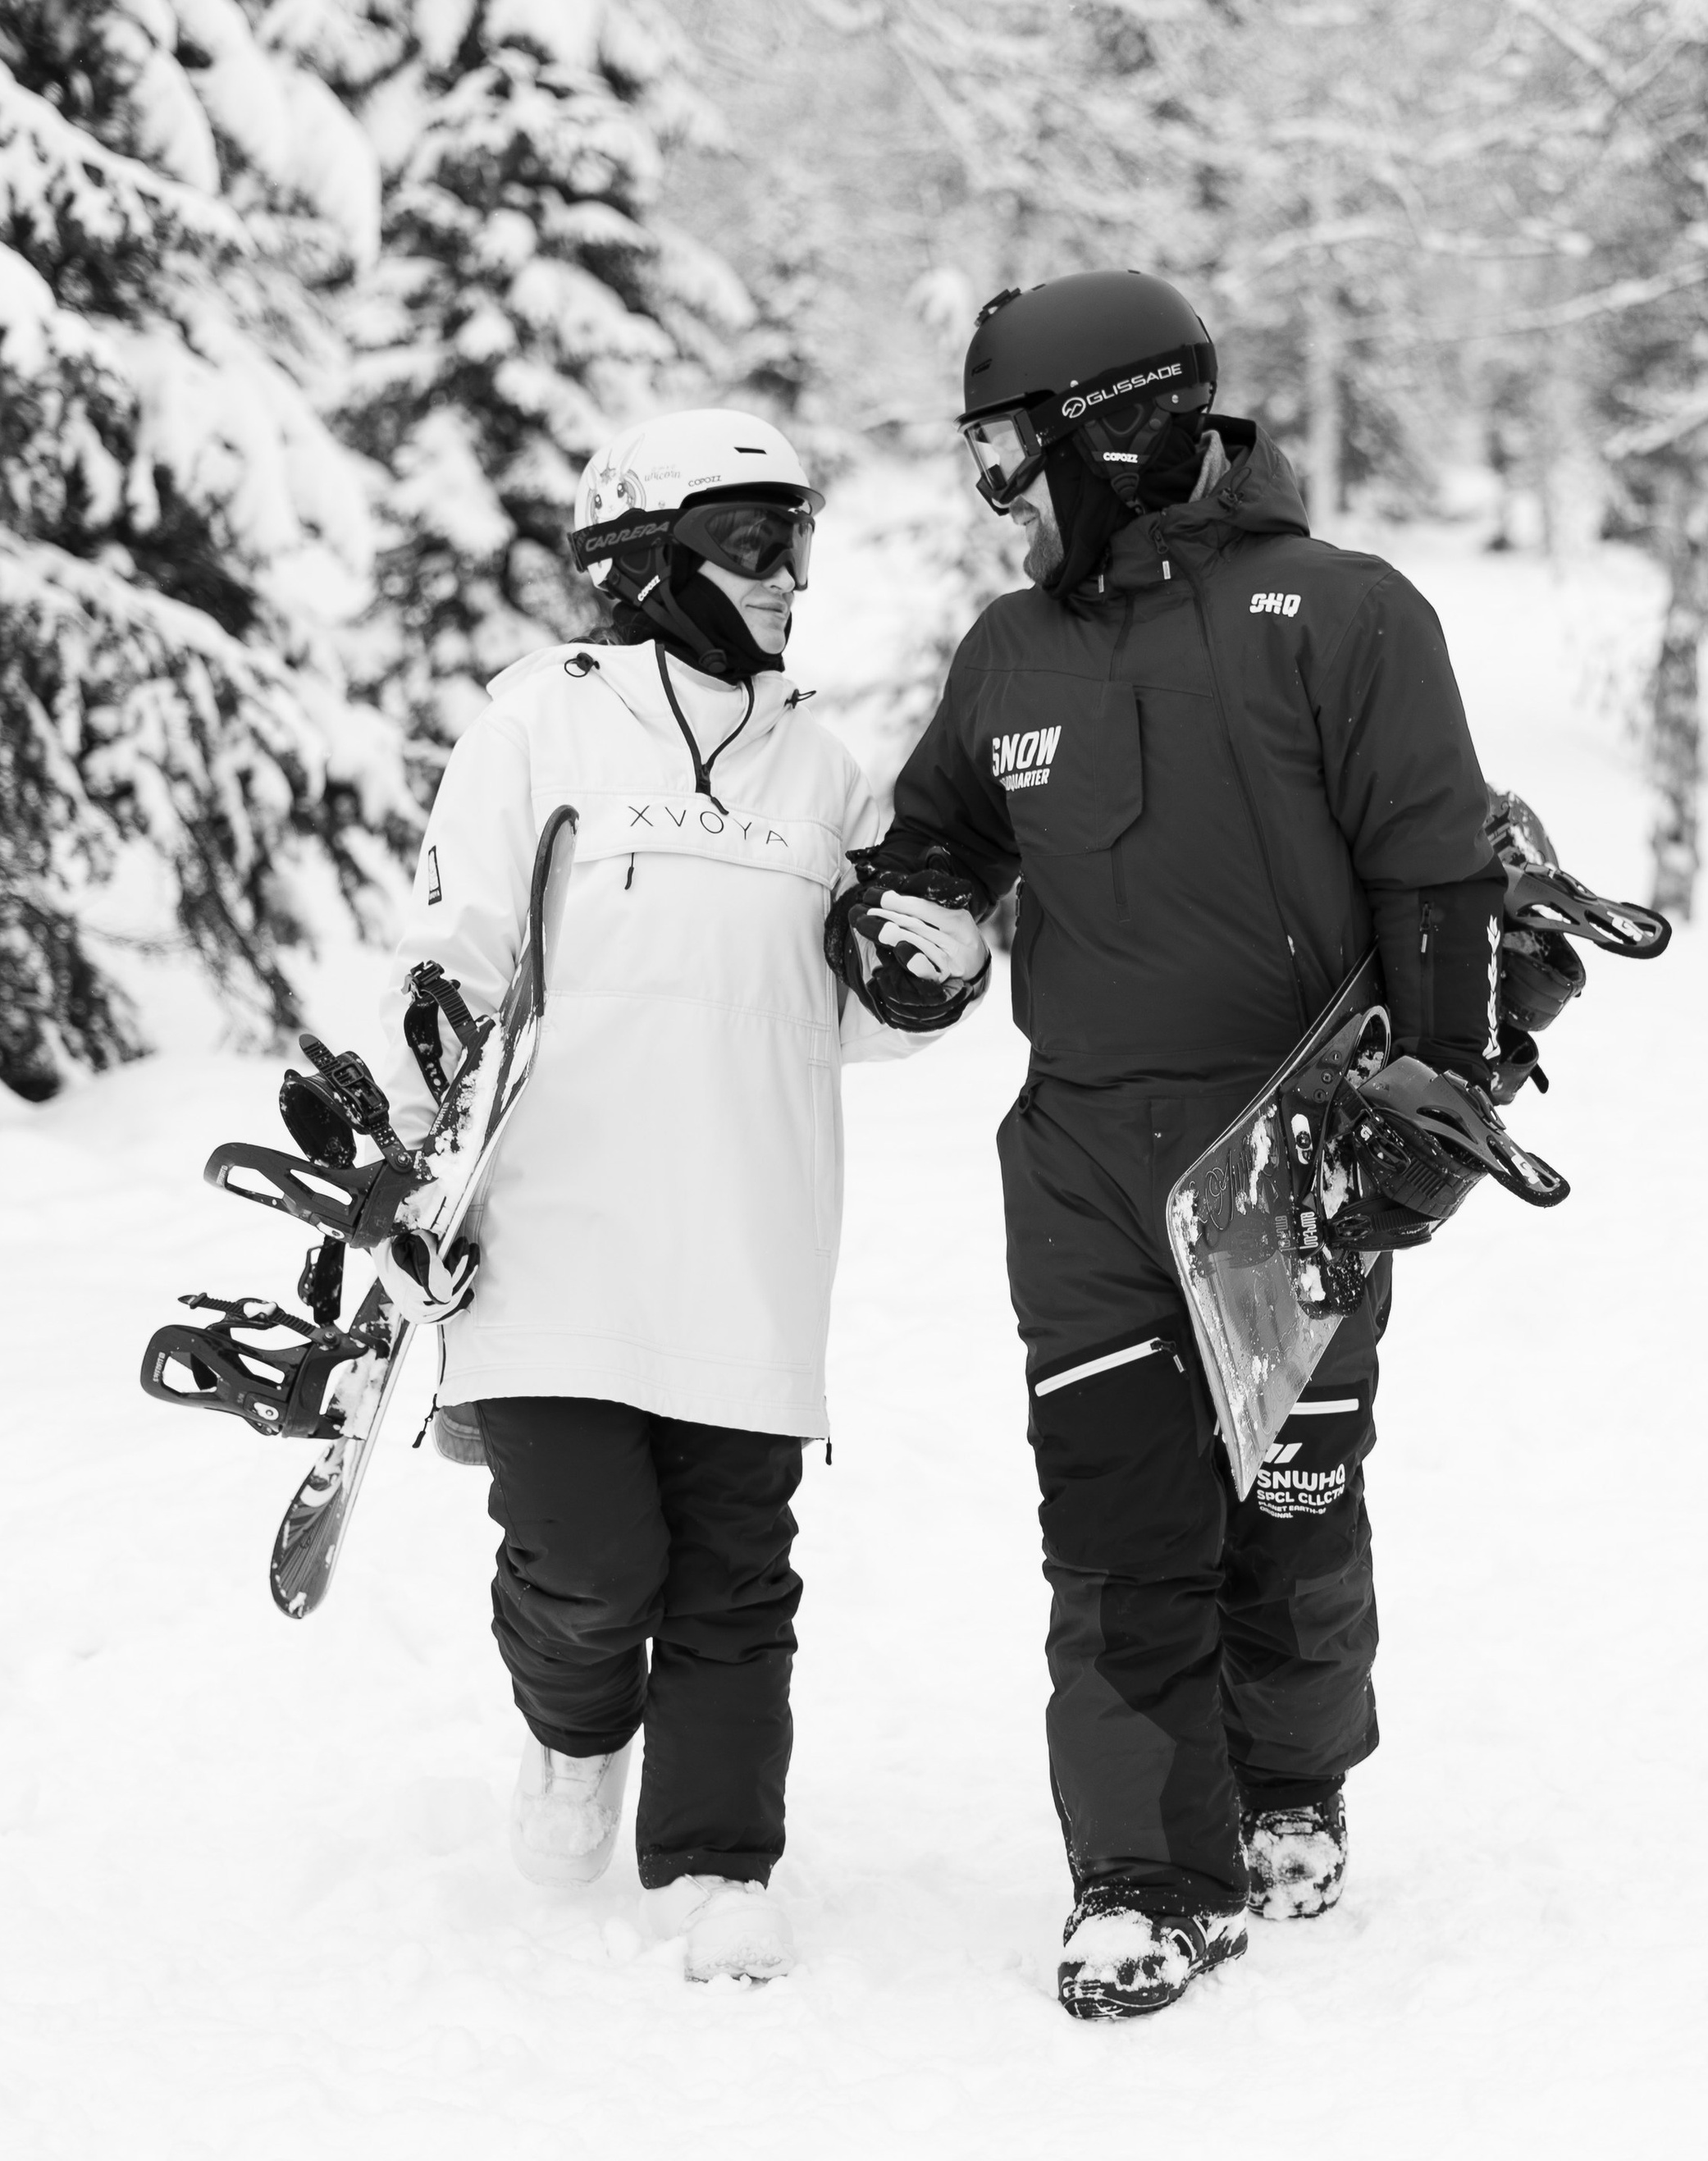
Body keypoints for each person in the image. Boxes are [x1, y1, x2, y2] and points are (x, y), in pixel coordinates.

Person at [830, 272, 1504, 2020]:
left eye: (1010, 450)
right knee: (1115, 1525)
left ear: (1117, 429)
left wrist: (1434, 1091)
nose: (997, 488)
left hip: (1290, 1138)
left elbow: (1434, 873)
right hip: (1078, 1166)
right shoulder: (1009, 651)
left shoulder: (1338, 613)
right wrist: (908, 929)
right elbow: (938, 841)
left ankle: (1290, 1780)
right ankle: (1146, 1870)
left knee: (1287, 1504)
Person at [372, 407, 989, 1983]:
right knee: (588, 1564)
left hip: (749, 1233)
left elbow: (852, 1009)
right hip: (555, 1234)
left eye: (799, 537)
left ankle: (719, 1861)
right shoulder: (539, 721)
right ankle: (575, 1733)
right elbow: (451, 955)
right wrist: (417, 1116)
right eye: (751, 539)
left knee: (735, 1575)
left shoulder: (823, 768)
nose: (789, 575)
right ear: (646, 559)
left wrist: (924, 981)